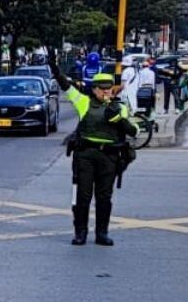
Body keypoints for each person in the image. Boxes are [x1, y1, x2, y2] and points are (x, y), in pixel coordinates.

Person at [55, 66, 138, 246]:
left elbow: (134, 131)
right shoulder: (84, 102)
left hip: (109, 157)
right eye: (102, 89)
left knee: (104, 197)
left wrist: (117, 119)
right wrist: (57, 72)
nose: (105, 92)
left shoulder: (119, 108)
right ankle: (81, 232)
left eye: (108, 89)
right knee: (82, 197)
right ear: (94, 89)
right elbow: (68, 89)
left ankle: (102, 233)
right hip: (85, 155)